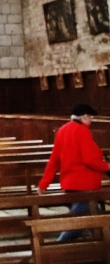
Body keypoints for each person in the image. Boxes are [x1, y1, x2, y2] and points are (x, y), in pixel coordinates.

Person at [37, 103, 110, 241]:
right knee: (78, 223)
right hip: (85, 184)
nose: (91, 120)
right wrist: (107, 167)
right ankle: (56, 251)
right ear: (84, 117)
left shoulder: (62, 130)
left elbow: (54, 160)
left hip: (70, 183)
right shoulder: (82, 131)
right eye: (90, 117)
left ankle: (99, 248)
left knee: (93, 218)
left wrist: (43, 184)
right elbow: (89, 160)